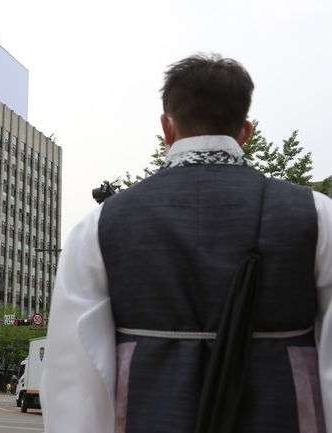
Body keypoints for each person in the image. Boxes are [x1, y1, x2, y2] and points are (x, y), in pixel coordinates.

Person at [40, 54, 332, 433]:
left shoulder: (100, 224)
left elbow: (74, 374)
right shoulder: (316, 214)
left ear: (167, 126)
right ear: (245, 131)